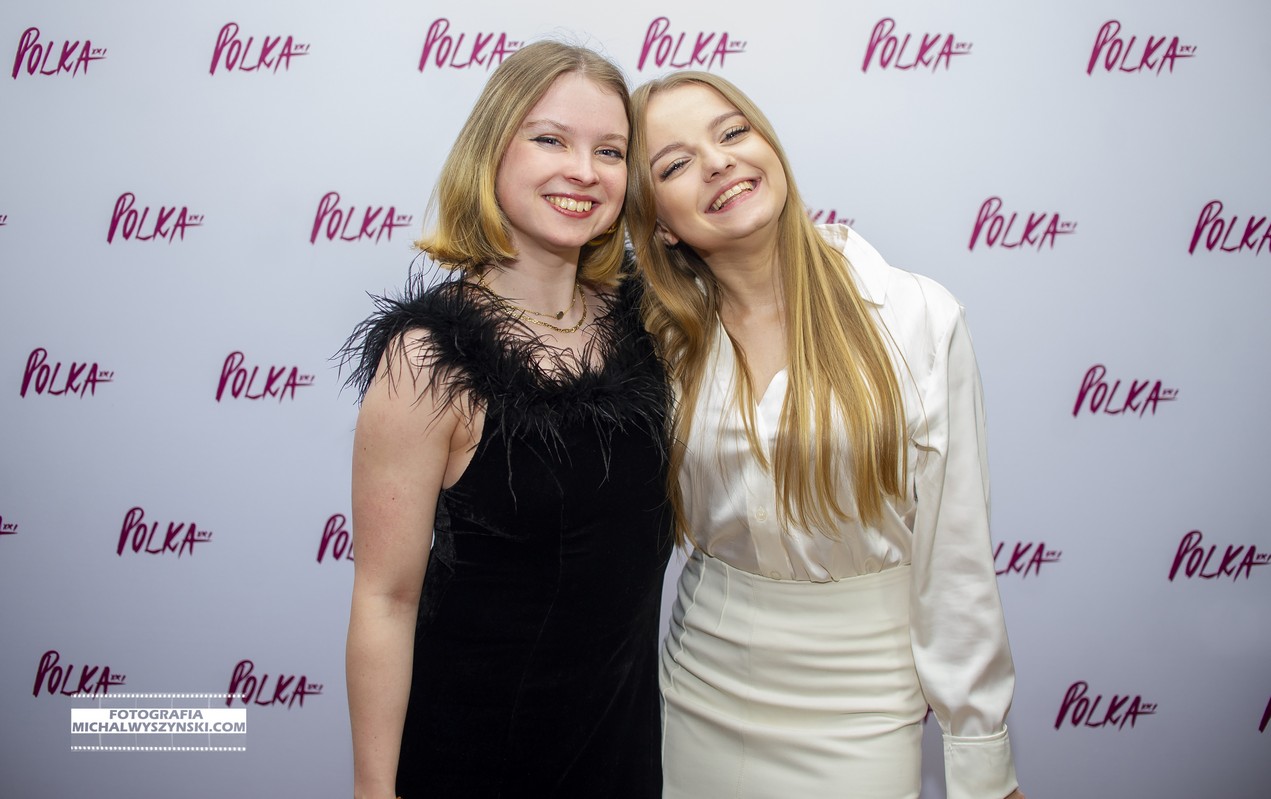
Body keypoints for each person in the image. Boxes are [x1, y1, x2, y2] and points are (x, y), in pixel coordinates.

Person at [626, 70, 1026, 799]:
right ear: (659, 223)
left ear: (770, 147)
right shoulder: (656, 341)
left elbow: (956, 555)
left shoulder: (915, 315)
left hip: (865, 693)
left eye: (732, 132)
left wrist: (981, 758)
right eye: (675, 164)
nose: (718, 161)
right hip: (701, 683)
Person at [342, 41, 672, 799]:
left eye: (610, 151)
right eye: (550, 139)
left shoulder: (649, 325)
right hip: (475, 757)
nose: (584, 171)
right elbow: (386, 599)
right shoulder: (429, 358)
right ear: (491, 151)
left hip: (621, 754)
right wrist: (373, 790)